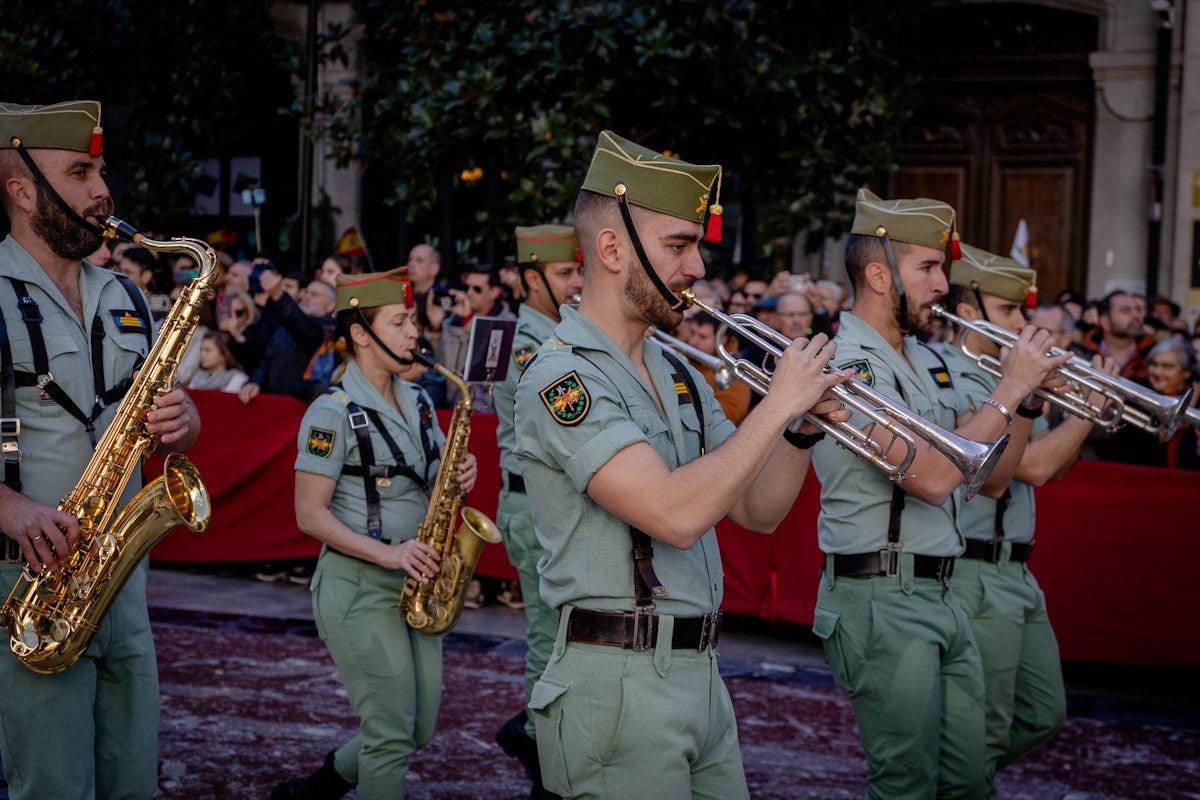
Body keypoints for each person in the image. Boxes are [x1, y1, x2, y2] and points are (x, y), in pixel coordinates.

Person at [513, 130, 849, 799]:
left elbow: (756, 510)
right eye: (678, 245)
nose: (698, 266)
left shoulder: (676, 371)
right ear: (611, 249)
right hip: (616, 684)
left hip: (699, 674)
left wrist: (798, 431)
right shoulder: (562, 378)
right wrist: (775, 403)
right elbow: (672, 513)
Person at [809, 189, 1068, 798]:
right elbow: (933, 478)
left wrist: (1026, 399)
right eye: (927, 267)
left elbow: (994, 474)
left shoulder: (928, 361)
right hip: (881, 593)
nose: (943, 285)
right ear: (878, 275)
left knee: (968, 780)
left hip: (940, 590)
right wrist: (1009, 392)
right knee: (906, 784)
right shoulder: (845, 363)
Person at [0, 99, 201, 799]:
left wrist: (185, 421)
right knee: (53, 787)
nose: (101, 192)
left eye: (101, 171)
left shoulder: (125, 295)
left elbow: (158, 420)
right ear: (20, 190)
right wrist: (10, 507)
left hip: (121, 580)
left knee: (132, 785)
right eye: (80, 172)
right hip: (31, 580)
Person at [273, 267, 477, 800]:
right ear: (361, 333)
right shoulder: (330, 412)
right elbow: (308, 516)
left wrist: (456, 478)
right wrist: (390, 557)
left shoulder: (422, 401)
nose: (415, 332)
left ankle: (317, 788)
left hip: (419, 584)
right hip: (360, 589)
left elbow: (430, 483)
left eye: (412, 320)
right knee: (390, 736)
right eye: (401, 321)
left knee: (417, 730)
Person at [940, 244, 1116, 796]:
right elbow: (1031, 468)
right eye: (1010, 311)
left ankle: (946, 780)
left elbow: (1052, 469)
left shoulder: (1006, 378)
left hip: (1016, 568)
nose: (1024, 324)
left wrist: (1089, 405)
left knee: (1043, 713)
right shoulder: (956, 376)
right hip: (975, 570)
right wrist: (1090, 409)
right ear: (969, 313)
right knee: (985, 732)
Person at [488, 223, 583, 799]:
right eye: (566, 273)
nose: (577, 283)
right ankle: (539, 748)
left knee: (561, 638)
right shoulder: (531, 344)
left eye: (577, 271)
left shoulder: (561, 331)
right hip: (533, 503)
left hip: (551, 505)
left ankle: (537, 736)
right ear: (532, 278)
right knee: (549, 640)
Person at [1097, 337, 1199, 469]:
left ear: (1186, 372)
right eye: (1153, 364)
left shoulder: (1197, 398)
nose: (1157, 371)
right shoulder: (1136, 395)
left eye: (1167, 366)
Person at [238, 270, 339, 404]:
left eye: (314, 295)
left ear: (331, 305)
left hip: (303, 410)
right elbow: (267, 361)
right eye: (306, 292)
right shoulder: (285, 326)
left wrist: (279, 295)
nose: (306, 297)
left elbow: (308, 334)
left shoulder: (330, 331)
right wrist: (254, 382)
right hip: (273, 405)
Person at [439, 262, 516, 409]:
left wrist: (469, 320)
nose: (469, 293)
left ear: (495, 292)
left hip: (492, 413)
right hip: (455, 409)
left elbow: (489, 362)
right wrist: (434, 329)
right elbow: (439, 365)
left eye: (477, 289)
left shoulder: (509, 322)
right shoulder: (450, 322)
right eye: (466, 287)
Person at [687, 310, 752, 424]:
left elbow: (728, 414)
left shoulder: (736, 373)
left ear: (722, 339)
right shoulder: (682, 351)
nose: (693, 342)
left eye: (703, 337)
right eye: (692, 333)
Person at [1079, 289, 1156, 382]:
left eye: (1138, 310)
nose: (1136, 315)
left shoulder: (1155, 354)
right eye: (1125, 311)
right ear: (1105, 322)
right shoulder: (1081, 352)